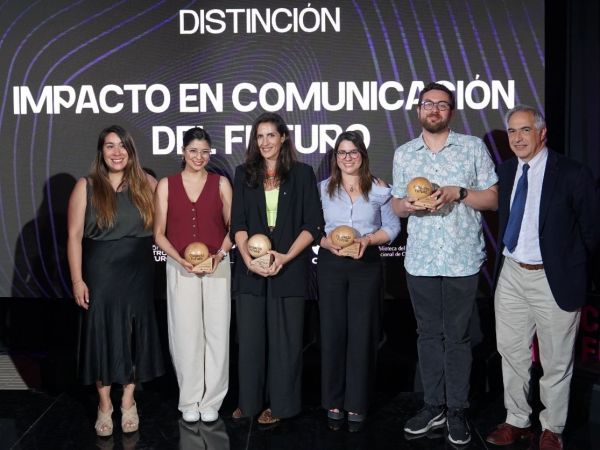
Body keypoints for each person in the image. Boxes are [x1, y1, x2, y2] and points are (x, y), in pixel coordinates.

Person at [485, 105, 600, 450]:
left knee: (556, 359)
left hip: (554, 278)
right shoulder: (506, 171)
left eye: (525, 130)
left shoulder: (572, 173)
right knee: (511, 353)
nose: (518, 138)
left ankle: (552, 428)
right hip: (511, 274)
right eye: (512, 131)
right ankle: (517, 420)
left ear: (542, 133)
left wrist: (571, 268)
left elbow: (591, 231)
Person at [391, 82, 498, 445]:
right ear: (419, 109)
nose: (434, 109)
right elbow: (396, 205)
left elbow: (493, 199)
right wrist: (408, 206)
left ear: (451, 111)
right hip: (421, 260)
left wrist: (458, 193)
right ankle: (433, 406)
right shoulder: (405, 154)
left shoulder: (472, 147)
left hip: (462, 259)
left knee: (458, 337)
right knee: (427, 335)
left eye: (441, 104)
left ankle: (456, 410)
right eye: (428, 104)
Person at [67, 125, 164, 437]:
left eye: (122, 145)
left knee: (135, 337)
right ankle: (105, 404)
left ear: (131, 151)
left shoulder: (148, 183)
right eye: (110, 146)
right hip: (101, 273)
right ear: (101, 151)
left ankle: (128, 400)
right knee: (102, 336)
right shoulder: (86, 186)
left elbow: (168, 226)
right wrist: (77, 280)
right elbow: (74, 237)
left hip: (139, 273)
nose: (117, 152)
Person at [230, 112, 323, 425]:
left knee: (286, 343)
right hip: (250, 272)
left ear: (283, 137)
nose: (265, 142)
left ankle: (282, 406)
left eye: (271, 135)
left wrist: (285, 257)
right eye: (260, 136)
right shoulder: (243, 173)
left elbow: (313, 225)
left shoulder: (302, 174)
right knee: (250, 341)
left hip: (289, 269)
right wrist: (248, 260)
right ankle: (249, 402)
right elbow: (238, 224)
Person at [318, 131, 400, 427]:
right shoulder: (322, 189)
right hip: (331, 264)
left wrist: (367, 240)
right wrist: (326, 243)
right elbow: (312, 228)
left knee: (363, 333)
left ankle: (357, 403)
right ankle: (333, 401)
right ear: (335, 157)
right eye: (342, 152)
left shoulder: (379, 189)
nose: (348, 157)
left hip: (366, 264)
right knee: (333, 332)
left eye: (353, 152)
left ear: (362, 155)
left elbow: (392, 227)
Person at [154, 127, 233, 423]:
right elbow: (158, 234)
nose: (199, 157)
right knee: (185, 333)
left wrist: (219, 256)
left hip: (217, 267)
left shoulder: (221, 183)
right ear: (183, 152)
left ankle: (212, 400)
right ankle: (189, 399)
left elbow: (234, 227)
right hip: (180, 267)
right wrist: (179, 260)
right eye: (193, 151)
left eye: (204, 152)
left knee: (217, 333)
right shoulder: (167, 185)